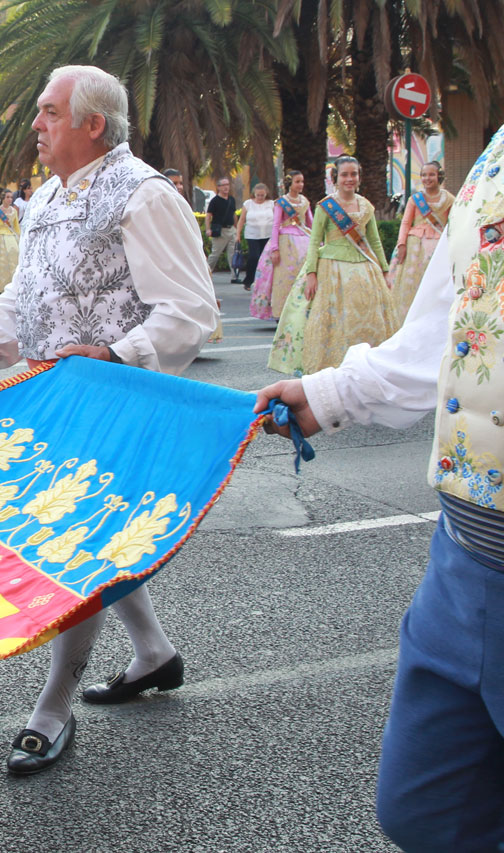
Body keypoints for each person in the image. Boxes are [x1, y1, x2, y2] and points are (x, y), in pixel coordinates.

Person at [0, 65, 217, 775]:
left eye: (49, 111)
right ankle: (154, 653)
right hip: (54, 405)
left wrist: (113, 353)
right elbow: (22, 290)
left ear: (93, 125)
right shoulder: (45, 198)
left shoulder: (144, 195)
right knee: (92, 540)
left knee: (75, 542)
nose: (36, 123)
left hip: (118, 405)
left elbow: (192, 311)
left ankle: (52, 706)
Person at [254, 124, 504, 853]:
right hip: (463, 561)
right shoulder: (492, 154)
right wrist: (327, 394)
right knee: (424, 807)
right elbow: (448, 328)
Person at [268, 156, 398, 376]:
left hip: (363, 269)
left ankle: (365, 367)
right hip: (331, 269)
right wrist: (311, 273)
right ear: (335, 178)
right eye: (345, 174)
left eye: (354, 174)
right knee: (334, 322)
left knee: (365, 319)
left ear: (359, 177)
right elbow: (314, 241)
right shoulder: (326, 207)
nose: (350, 179)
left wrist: (385, 270)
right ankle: (332, 367)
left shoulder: (366, 206)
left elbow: (374, 241)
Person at [388, 161, 453, 319]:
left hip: (438, 248)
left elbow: (453, 223)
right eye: (424, 175)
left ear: (439, 176)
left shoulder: (450, 199)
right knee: (411, 284)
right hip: (414, 249)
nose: (427, 178)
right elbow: (405, 222)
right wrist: (401, 244)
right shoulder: (415, 199)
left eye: (431, 174)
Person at [250, 170, 312, 320]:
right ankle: (281, 311)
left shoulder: (304, 201)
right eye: (297, 182)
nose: (300, 185)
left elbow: (310, 222)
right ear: (290, 183)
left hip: (304, 240)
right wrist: (275, 248)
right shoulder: (281, 202)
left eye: (302, 181)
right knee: (283, 278)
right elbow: (276, 224)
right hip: (286, 243)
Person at [235, 182, 274, 289]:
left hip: (267, 235)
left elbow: (277, 219)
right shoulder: (248, 204)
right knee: (254, 257)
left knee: (266, 259)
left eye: (262, 195)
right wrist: (238, 234)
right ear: (254, 194)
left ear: (266, 194)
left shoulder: (271, 203)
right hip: (252, 235)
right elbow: (242, 220)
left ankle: (264, 281)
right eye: (258, 195)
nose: (260, 197)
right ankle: (249, 280)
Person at [0, 189, 21, 294]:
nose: (10, 199)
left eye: (11, 197)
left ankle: (12, 285)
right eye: (7, 197)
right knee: (0, 264)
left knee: (13, 262)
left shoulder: (14, 211)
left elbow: (16, 227)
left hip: (11, 238)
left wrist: (20, 240)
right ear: (3, 198)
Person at [205, 177, 238, 276]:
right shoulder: (215, 201)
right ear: (218, 187)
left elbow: (234, 214)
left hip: (231, 230)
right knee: (215, 254)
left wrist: (236, 228)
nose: (226, 187)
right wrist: (208, 229)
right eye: (223, 185)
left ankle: (234, 276)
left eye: (227, 185)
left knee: (232, 254)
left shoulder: (231, 199)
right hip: (220, 231)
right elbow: (208, 215)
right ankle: (205, 273)